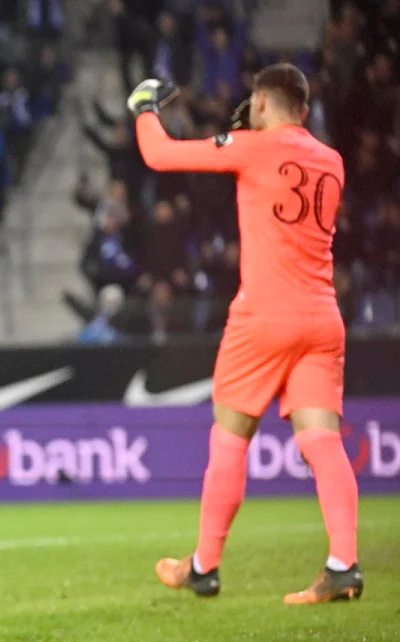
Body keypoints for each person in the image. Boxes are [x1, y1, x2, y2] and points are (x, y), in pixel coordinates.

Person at [128, 65, 362, 604]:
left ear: (260, 103)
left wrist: (144, 108)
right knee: (322, 443)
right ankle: (342, 562)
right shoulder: (332, 160)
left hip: (263, 316)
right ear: (304, 112)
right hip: (322, 316)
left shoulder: (252, 146)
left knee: (230, 440)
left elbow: (160, 154)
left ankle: (204, 567)